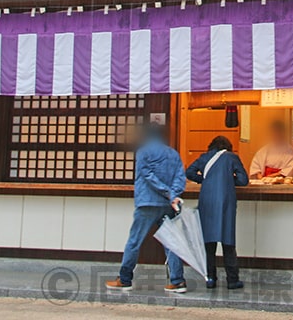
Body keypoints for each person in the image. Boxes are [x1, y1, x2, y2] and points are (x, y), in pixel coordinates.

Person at [106, 124, 188, 294]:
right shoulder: (174, 154)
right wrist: (172, 195)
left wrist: (166, 192)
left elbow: (148, 176)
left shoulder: (143, 152)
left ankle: (125, 278)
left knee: (135, 241)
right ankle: (178, 281)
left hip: (147, 203)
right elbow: (180, 177)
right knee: (171, 242)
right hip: (167, 205)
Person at [186, 136, 249, 290]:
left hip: (207, 200)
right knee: (228, 242)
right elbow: (243, 180)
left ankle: (210, 278)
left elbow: (189, 172)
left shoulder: (204, 157)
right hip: (226, 201)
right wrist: (228, 179)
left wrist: (204, 180)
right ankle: (232, 280)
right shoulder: (231, 157)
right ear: (228, 146)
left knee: (208, 243)